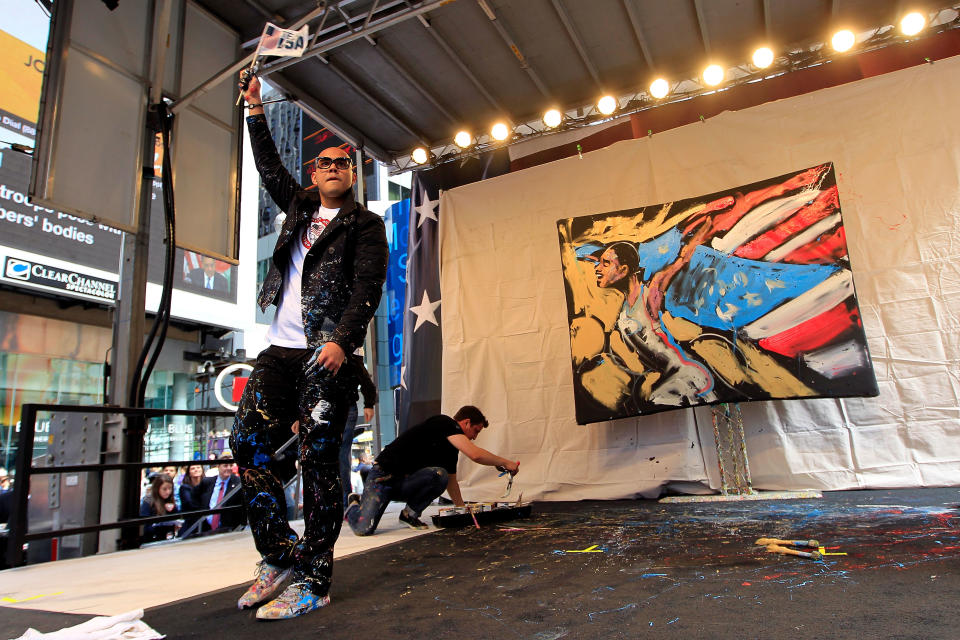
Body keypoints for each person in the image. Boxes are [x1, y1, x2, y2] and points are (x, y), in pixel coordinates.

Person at [231, 73, 388, 620]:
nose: (334, 170)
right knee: (246, 443)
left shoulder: (365, 225)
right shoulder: (297, 206)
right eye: (325, 163)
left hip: (327, 352)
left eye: (344, 163)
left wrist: (344, 341)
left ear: (353, 173)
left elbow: (369, 285)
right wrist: (255, 110)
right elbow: (269, 165)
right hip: (279, 350)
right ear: (314, 172)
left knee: (318, 462)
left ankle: (316, 578)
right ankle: (279, 557)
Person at [345, 406, 519, 536]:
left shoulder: (451, 449)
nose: (474, 437)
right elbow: (475, 454)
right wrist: (506, 462)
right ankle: (353, 503)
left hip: (403, 482)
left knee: (439, 475)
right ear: (466, 422)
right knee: (363, 529)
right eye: (475, 430)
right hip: (383, 477)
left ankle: (409, 514)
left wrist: (461, 510)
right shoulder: (445, 423)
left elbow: (451, 480)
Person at [338, 353, 377, 506]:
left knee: (341, 454)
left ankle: (344, 501)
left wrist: (369, 404)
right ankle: (343, 500)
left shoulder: (350, 357)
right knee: (340, 454)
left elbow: (366, 381)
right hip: (333, 406)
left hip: (345, 407)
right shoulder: (350, 356)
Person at [201, 456, 244, 532]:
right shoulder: (207, 482)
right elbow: (195, 496)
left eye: (231, 465)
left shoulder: (238, 484)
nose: (229, 468)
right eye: (225, 465)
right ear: (218, 466)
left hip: (228, 529)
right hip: (206, 529)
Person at [140, 474, 178, 542]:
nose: (168, 492)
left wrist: (173, 510)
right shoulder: (148, 501)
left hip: (168, 539)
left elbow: (176, 519)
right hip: (152, 540)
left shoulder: (170, 500)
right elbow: (145, 526)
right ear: (157, 488)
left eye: (170, 488)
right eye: (164, 489)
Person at [178, 464, 212, 538]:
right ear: (189, 472)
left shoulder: (208, 485)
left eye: (198, 467)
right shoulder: (184, 488)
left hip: (206, 522)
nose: (196, 469)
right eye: (193, 468)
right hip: (191, 523)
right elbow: (191, 504)